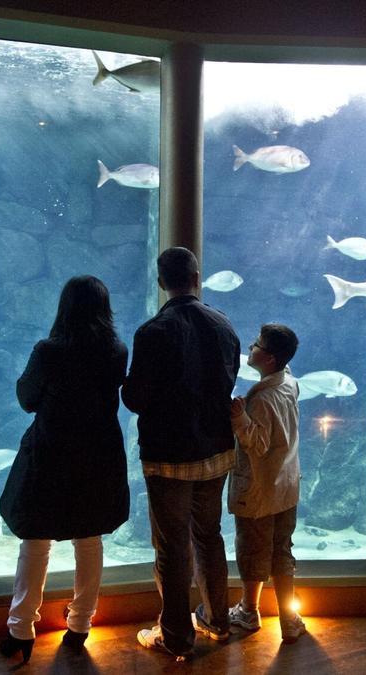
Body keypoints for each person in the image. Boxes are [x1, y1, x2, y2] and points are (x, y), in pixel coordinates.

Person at [0, 275, 130, 662]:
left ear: (64, 308)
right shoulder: (117, 350)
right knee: (89, 540)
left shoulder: (49, 351)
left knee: (36, 542)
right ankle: (80, 627)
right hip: (98, 455)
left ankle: (21, 631)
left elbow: (27, 398)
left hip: (51, 455)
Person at [123, 246, 241, 659]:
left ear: (161, 283)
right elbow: (228, 380)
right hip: (216, 452)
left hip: (169, 457)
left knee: (173, 546)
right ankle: (217, 620)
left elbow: (136, 398)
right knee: (208, 536)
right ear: (196, 277)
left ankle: (175, 637)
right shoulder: (224, 324)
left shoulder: (152, 332)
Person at [226, 323, 307, 643]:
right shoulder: (289, 382)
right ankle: (289, 617)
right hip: (286, 487)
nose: (251, 346)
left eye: (257, 344)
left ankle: (248, 610)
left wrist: (238, 417)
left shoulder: (261, 399)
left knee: (252, 551)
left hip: (259, 490)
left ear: (270, 359)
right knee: (281, 551)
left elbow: (257, 444)